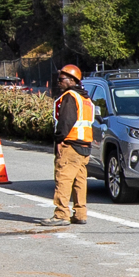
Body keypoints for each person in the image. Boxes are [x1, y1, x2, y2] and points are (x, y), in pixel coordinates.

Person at [49, 59, 98, 226]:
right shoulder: (85, 99)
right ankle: (80, 213)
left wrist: (59, 140)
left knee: (63, 179)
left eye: (62, 79)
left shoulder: (70, 97)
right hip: (84, 146)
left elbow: (66, 121)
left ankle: (61, 214)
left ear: (72, 80)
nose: (59, 82)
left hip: (70, 145)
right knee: (79, 181)